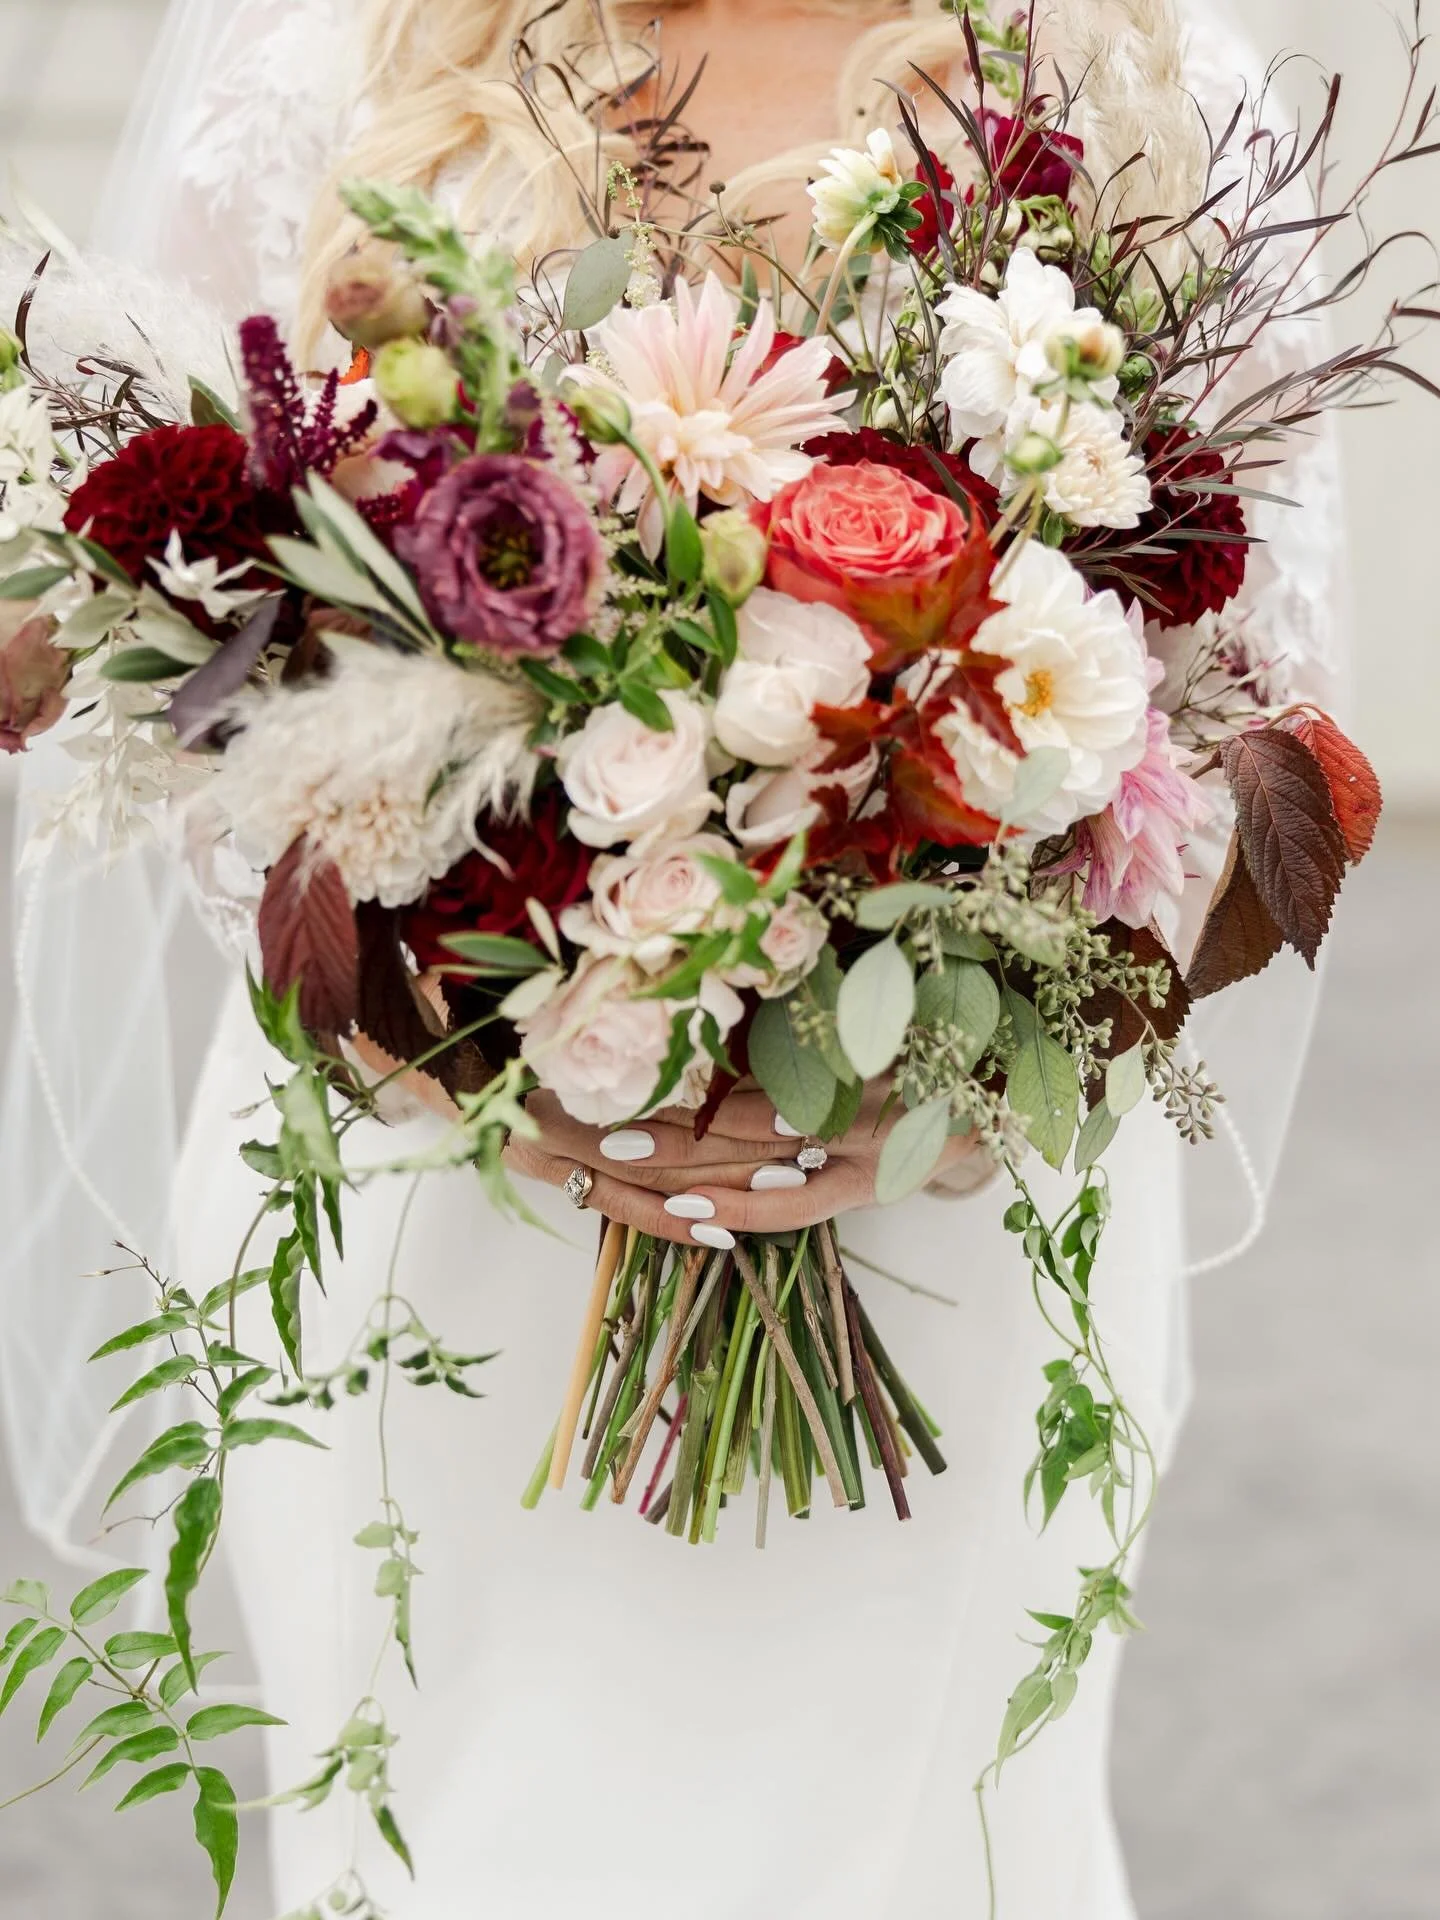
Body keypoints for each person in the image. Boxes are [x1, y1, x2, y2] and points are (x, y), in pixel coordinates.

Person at [5, 2, 1344, 1914]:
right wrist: (467, 1055)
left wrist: (952, 1064)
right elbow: (211, 682)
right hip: (439, 1208)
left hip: (940, 1210)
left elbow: (1253, 737)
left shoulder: (1146, 95)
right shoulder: (347, 72)